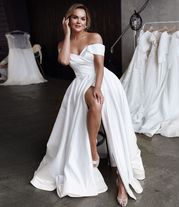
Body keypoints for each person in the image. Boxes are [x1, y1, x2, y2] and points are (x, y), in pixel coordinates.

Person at [30, 3, 145, 206]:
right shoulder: (62, 43)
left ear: (87, 21)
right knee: (96, 106)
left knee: (100, 107)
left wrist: (97, 87)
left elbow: (100, 67)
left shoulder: (95, 37)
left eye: (83, 18)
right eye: (75, 18)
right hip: (80, 83)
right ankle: (92, 147)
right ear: (68, 20)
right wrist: (66, 34)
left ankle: (122, 179)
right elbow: (64, 61)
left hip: (103, 81)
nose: (79, 22)